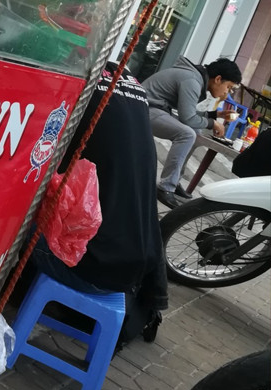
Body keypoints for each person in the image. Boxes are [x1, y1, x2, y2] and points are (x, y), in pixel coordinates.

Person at [28, 62, 168, 346]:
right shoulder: (129, 82)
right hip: (134, 269)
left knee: (14, 216)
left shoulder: (72, 83)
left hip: (93, 271)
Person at [141, 56, 242, 208]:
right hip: (142, 109)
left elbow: (188, 113)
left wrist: (217, 115)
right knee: (187, 134)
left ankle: (174, 180)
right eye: (228, 87)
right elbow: (188, 118)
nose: (227, 92)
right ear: (218, 79)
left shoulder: (195, 78)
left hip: (156, 108)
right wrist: (213, 123)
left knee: (195, 131)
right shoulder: (192, 81)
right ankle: (166, 187)